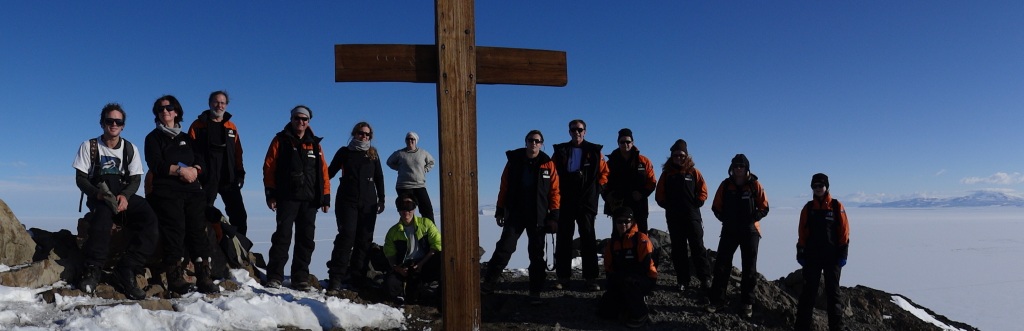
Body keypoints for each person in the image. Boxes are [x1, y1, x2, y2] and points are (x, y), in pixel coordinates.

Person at [72, 103, 159, 300]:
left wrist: (125, 196)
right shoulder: (89, 146)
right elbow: (81, 179)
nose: (113, 124)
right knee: (102, 219)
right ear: (102, 123)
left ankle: (126, 268)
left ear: (123, 125)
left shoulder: (130, 148)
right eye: (109, 121)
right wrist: (97, 194)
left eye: (118, 122)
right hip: (100, 196)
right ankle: (93, 268)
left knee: (149, 219)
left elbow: (135, 179)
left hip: (122, 195)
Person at [144, 95, 219, 294]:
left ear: (176, 111)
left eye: (169, 108)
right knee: (174, 229)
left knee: (198, 229)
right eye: (160, 109)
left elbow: (201, 161)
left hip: (192, 191)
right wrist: (180, 171)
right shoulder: (153, 138)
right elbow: (156, 165)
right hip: (166, 191)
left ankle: (204, 275)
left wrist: (195, 169)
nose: (165, 111)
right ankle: (175, 277)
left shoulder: (187, 138)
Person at [481, 130, 560, 305]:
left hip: (538, 216)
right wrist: (500, 210)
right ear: (526, 142)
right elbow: (504, 186)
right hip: (516, 214)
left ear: (542, 144)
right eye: (531, 140)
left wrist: (554, 216)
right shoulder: (514, 161)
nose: (534, 143)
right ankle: (488, 284)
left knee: (537, 254)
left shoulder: (548, 164)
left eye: (537, 141)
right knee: (504, 248)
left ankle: (535, 291)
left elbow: (554, 192)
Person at [262, 105, 331, 291]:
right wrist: (270, 194)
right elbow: (269, 168)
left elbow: (323, 172)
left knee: (306, 239)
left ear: (308, 121)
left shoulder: (315, 144)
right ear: (291, 119)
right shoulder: (280, 140)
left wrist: (325, 197)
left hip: (310, 200)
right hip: (287, 197)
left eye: (304, 119)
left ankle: (300, 278)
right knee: (282, 236)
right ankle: (275, 276)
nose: (301, 122)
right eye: (297, 118)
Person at [326, 121, 386, 293]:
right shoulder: (345, 152)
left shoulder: (372, 153)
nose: (364, 136)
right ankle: (336, 279)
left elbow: (379, 177)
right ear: (354, 133)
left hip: (369, 202)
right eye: (361, 133)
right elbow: (329, 173)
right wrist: (320, 193)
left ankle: (358, 279)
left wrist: (381, 199)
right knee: (346, 236)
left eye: (367, 134)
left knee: (364, 240)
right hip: (347, 200)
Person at [706, 154, 769, 317]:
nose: (738, 169)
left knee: (749, 267)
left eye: (741, 166)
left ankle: (747, 303)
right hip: (730, 230)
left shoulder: (755, 185)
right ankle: (717, 301)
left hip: (750, 231)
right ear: (731, 168)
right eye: (736, 166)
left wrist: (754, 217)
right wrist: (726, 219)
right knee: (721, 264)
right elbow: (716, 206)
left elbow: (764, 207)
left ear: (747, 168)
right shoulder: (726, 185)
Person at [551, 119, 608, 291]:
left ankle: (591, 278)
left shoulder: (594, 151)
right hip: (566, 200)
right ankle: (563, 277)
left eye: (580, 129)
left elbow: (604, 173)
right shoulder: (560, 151)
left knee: (588, 238)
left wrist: (596, 189)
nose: (577, 132)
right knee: (563, 239)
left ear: (585, 131)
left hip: (586, 202)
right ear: (569, 132)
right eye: (573, 129)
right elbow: (553, 173)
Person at [187, 90, 248, 235]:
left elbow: (237, 152)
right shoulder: (198, 125)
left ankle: (239, 245)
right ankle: (203, 244)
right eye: (216, 102)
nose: (219, 106)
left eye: (222, 103)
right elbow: (189, 151)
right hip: (206, 176)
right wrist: (194, 171)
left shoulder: (231, 127)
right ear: (210, 103)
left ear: (226, 105)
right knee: (202, 211)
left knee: (239, 215)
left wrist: (240, 172)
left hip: (228, 176)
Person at [795, 173, 851, 331]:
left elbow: (844, 231)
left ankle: (836, 328)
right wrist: (801, 251)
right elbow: (802, 232)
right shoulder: (808, 208)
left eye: (821, 185)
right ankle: (801, 327)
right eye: (815, 186)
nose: (818, 188)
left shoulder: (836, 206)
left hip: (832, 257)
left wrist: (843, 253)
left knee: (833, 294)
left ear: (827, 186)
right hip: (812, 256)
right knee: (808, 293)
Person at [654, 139, 711, 292]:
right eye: (676, 155)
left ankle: (705, 278)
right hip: (674, 217)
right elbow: (659, 194)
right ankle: (683, 280)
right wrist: (666, 204)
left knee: (698, 247)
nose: (679, 158)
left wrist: (699, 201)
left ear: (686, 156)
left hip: (692, 216)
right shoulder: (667, 174)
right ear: (671, 156)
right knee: (678, 249)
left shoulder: (693, 172)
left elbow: (703, 190)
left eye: (681, 155)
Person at [596, 207, 657, 328]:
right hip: (623, 278)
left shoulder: (641, 239)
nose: (623, 224)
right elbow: (609, 267)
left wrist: (630, 278)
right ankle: (625, 307)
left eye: (626, 221)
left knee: (629, 284)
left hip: (643, 278)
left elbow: (646, 266)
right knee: (604, 311)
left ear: (632, 221)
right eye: (620, 221)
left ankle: (641, 314)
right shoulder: (612, 244)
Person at [382, 193, 442, 305]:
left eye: (409, 206)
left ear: (414, 208)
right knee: (390, 285)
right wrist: (397, 268)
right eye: (402, 207)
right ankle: (403, 295)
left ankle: (438, 290)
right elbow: (389, 253)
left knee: (442, 260)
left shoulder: (426, 224)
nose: (406, 211)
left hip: (425, 262)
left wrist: (421, 264)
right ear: (398, 209)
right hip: (405, 266)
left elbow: (437, 244)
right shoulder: (393, 232)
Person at [603, 128, 656, 233]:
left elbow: (652, 181)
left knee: (641, 234)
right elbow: (603, 181)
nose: (625, 144)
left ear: (633, 142)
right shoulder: (610, 163)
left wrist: (642, 193)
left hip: (639, 205)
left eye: (628, 141)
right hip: (619, 205)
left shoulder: (643, 161)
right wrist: (608, 196)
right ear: (618, 143)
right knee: (619, 236)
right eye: (622, 142)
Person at [386, 131, 436, 223]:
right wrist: (399, 168)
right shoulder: (400, 153)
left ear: (416, 141)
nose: (410, 141)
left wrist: (424, 170)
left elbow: (432, 162)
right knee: (406, 211)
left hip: (419, 185)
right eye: (408, 139)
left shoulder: (423, 153)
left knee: (427, 209)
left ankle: (430, 230)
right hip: (403, 186)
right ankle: (405, 230)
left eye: (412, 139)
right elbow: (389, 162)